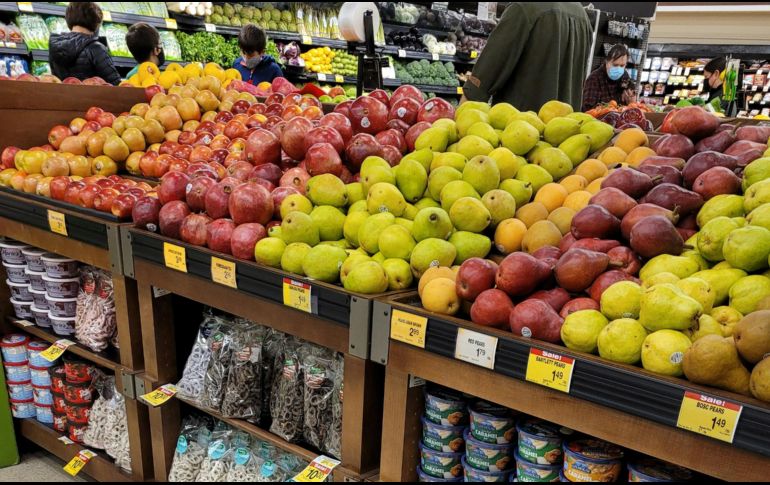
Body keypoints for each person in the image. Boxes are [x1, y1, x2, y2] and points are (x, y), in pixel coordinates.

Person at [461, 3, 592, 112]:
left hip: (520, 132)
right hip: (564, 134)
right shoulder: (583, 17)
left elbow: (483, 79)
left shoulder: (525, 8)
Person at [49, 2, 121, 85]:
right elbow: (116, 85)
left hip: (63, 97)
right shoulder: (96, 48)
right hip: (92, 97)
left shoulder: (55, 46)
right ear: (96, 21)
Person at [581, 44, 636, 112]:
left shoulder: (624, 75)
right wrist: (610, 109)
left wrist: (631, 99)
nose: (619, 69)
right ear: (607, 62)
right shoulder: (594, 79)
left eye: (622, 65)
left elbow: (630, 92)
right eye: (615, 65)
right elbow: (588, 110)